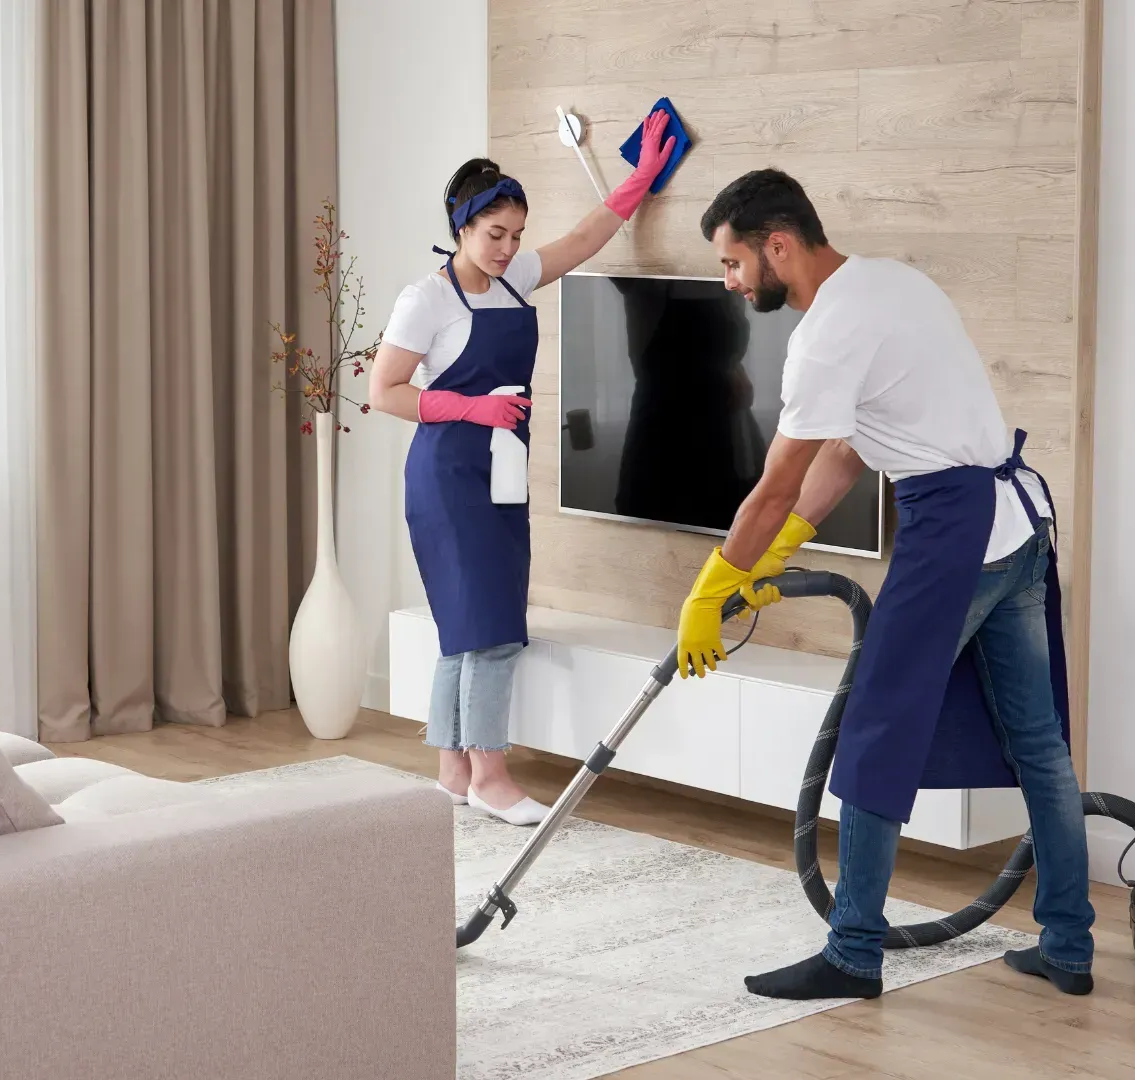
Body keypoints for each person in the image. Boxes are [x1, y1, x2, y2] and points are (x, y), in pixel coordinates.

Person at [675, 169, 1095, 999]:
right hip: (1016, 528)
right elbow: (849, 447)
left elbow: (774, 481)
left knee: (875, 731)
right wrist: (784, 546)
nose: (729, 282)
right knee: (1039, 746)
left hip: (954, 533)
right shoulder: (891, 281)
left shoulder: (826, 333)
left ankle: (854, 953)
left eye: (732, 263)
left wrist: (711, 586)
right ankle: (1070, 947)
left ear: (778, 245)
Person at [370, 110, 676, 825]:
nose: (508, 249)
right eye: (492, 235)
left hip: (502, 472)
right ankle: (492, 775)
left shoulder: (516, 279)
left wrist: (640, 180)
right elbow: (384, 391)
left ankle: (452, 769)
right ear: (460, 227)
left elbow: (582, 239)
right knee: (492, 628)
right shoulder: (427, 299)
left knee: (465, 624)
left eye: (514, 234)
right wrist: (471, 409)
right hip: (446, 477)